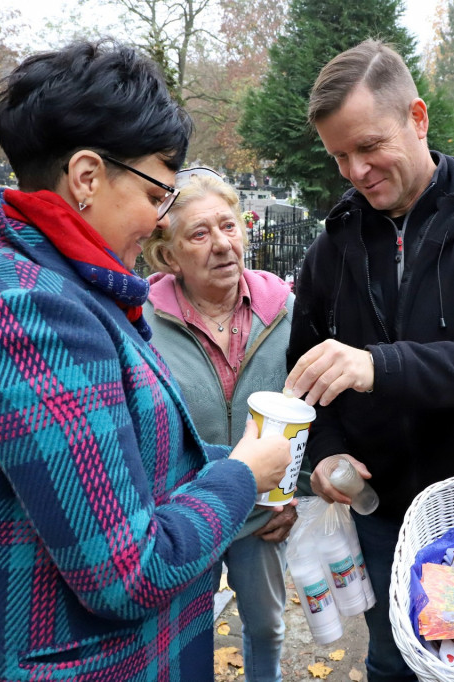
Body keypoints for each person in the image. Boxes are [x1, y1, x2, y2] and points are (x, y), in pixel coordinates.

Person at [0, 41, 290, 681]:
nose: (159, 220)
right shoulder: (28, 313)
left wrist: (232, 462)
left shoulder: (57, 283)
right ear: (87, 177)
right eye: (158, 195)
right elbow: (127, 575)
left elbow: (121, 469)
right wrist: (241, 477)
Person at [285, 39, 454, 681]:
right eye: (340, 156)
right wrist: (323, 453)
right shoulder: (335, 245)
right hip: (385, 515)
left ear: (418, 117)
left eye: (369, 147)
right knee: (393, 659)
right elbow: (306, 372)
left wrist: (381, 365)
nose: (354, 170)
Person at [142, 170, 301, 682]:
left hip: (261, 513)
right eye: (199, 234)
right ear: (169, 256)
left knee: (267, 628)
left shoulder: (286, 311)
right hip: (187, 512)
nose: (221, 245)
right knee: (188, 631)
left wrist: (297, 489)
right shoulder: (139, 321)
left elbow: (313, 403)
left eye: (228, 227)